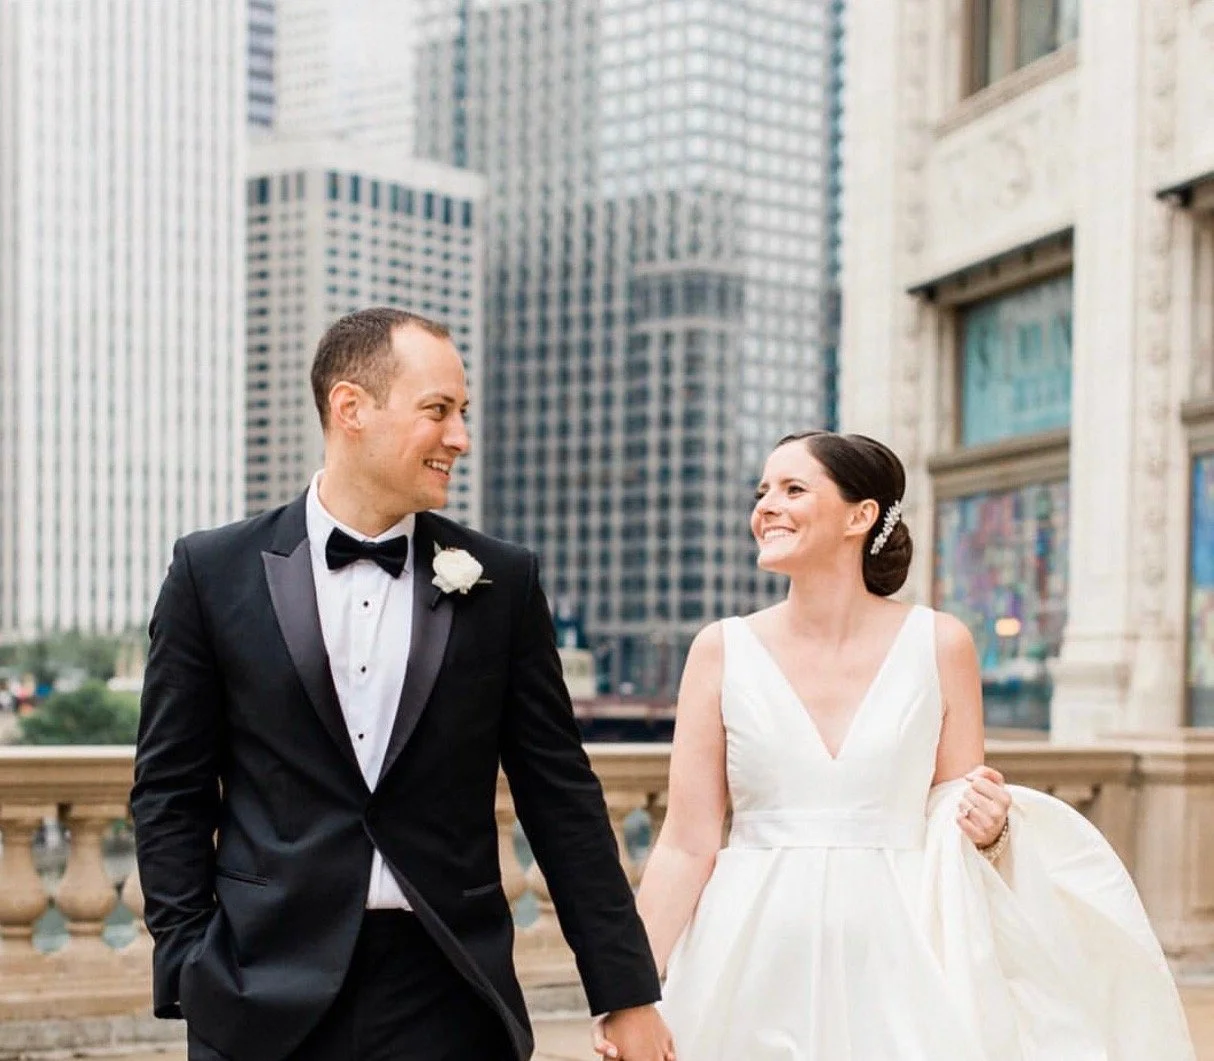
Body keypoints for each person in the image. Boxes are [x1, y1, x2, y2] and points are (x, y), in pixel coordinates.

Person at [131, 308, 674, 1061]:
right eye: (439, 411)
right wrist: (192, 965)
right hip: (260, 990)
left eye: (463, 413)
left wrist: (625, 989)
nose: (461, 437)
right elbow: (169, 790)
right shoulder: (210, 571)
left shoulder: (502, 581)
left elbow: (561, 797)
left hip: (450, 987)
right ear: (351, 408)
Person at [597, 430, 1194, 1061]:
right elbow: (686, 845)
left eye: (793, 489)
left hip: (905, 954)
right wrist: (627, 992)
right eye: (762, 490)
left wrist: (990, 828)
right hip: (747, 952)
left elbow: (953, 811)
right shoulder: (721, 650)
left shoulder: (940, 643)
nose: (765, 506)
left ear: (862, 515)